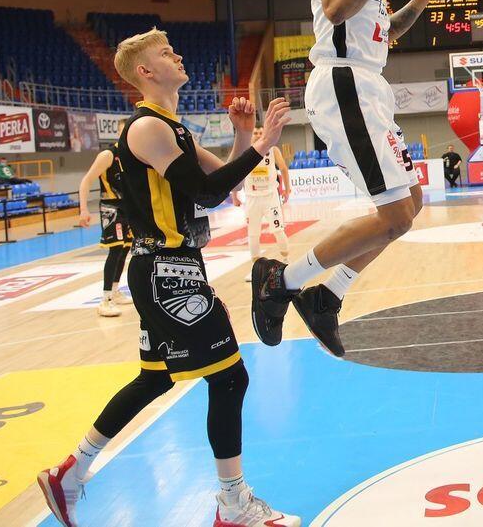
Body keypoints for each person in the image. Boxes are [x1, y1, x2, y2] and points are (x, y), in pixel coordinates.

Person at [37, 29, 297, 527]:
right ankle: (233, 505)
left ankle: (70, 472)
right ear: (145, 72)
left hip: (168, 269)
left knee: (154, 379)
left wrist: (244, 136)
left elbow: (224, 182)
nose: (177, 55)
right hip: (165, 272)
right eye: (165, 53)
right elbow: (205, 193)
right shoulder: (147, 129)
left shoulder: (174, 129)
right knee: (230, 377)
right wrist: (263, 142)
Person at [251, 0, 441, 358]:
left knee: (410, 202)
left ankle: (327, 296)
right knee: (394, 215)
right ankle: (280, 282)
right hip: (344, 83)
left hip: (367, 83)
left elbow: (386, 31)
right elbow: (335, 8)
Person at [78, 143, 132, 317]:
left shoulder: (131, 154)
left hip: (128, 207)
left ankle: (115, 291)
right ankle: (105, 299)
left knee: (125, 249)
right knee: (115, 250)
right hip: (111, 207)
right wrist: (83, 209)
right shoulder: (108, 155)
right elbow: (86, 181)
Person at [235, 126, 291, 266]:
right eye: (255, 132)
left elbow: (283, 169)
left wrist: (287, 189)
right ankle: (255, 265)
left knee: (278, 229)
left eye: (261, 132)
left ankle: (286, 260)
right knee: (253, 233)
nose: (258, 135)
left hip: (270, 197)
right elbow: (235, 174)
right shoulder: (245, 151)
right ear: (251, 134)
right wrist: (235, 195)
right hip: (252, 198)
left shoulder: (273, 149)